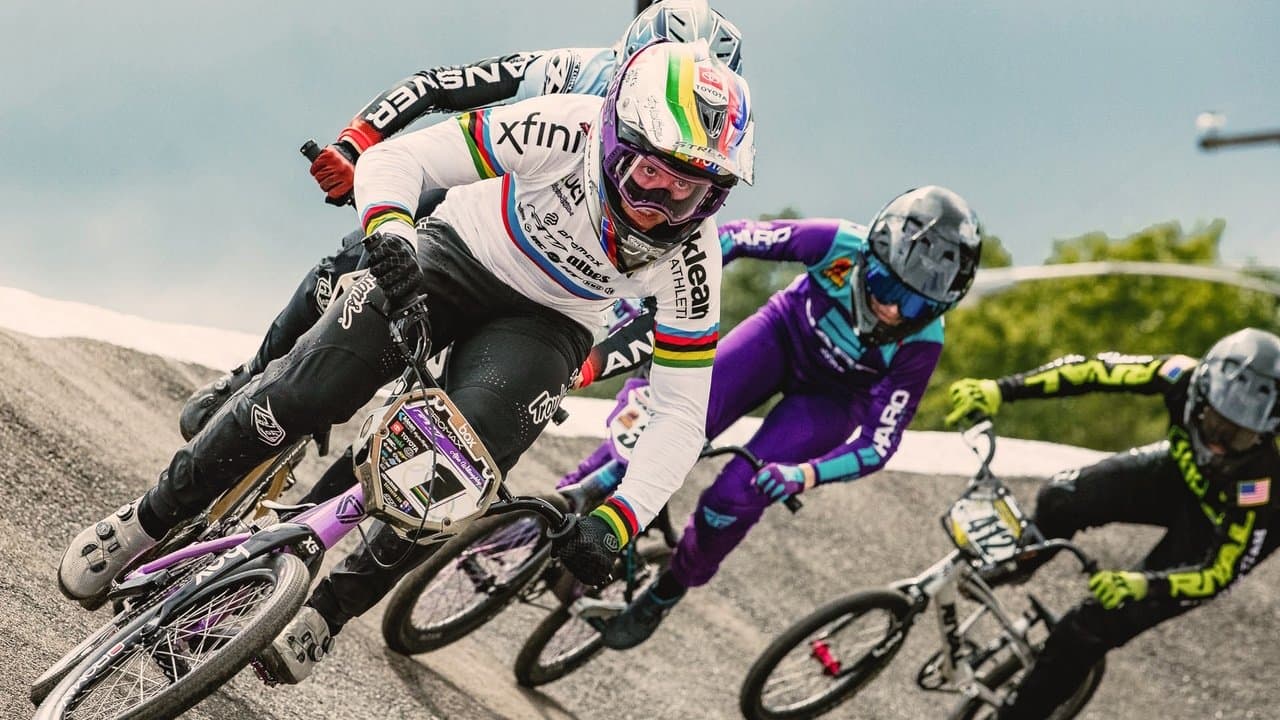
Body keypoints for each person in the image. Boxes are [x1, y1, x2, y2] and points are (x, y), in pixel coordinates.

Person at [56, 39, 756, 684]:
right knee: (305, 392)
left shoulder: (694, 258)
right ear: (612, 140)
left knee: (459, 475)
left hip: (550, 325)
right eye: (649, 174)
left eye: (687, 192)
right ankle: (147, 520)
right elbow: (404, 159)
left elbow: (680, 411)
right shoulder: (562, 126)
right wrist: (390, 230)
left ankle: (329, 612)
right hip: (461, 252)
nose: (660, 207)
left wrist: (621, 519)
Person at [178, 0, 743, 442]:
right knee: (348, 268)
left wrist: (588, 364)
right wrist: (357, 144)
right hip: (478, 196)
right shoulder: (576, 70)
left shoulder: (688, 181)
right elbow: (439, 86)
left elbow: (667, 312)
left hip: (560, 282)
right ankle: (249, 377)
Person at [580, 186, 984, 649]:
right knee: (666, 417)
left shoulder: (923, 344)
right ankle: (572, 494)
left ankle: (668, 589)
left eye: (916, 306)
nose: (893, 310)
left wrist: (804, 475)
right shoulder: (837, 242)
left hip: (831, 400)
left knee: (733, 498)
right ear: (870, 253)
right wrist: (661, 296)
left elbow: (878, 444)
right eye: (887, 286)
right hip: (780, 336)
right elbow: (730, 239)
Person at [945, 328, 1280, 719]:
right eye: (1215, 424)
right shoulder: (1179, 375)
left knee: (1087, 627)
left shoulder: (1264, 480)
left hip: (1215, 532)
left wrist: (1144, 584)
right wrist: (1002, 389)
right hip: (1177, 475)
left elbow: (1219, 572)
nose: (1219, 444)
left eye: (1239, 437)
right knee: (1061, 496)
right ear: (1199, 396)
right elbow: (1092, 371)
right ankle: (1021, 561)